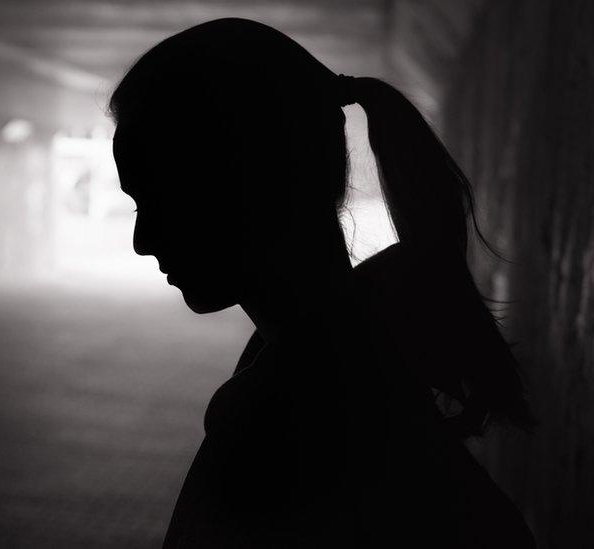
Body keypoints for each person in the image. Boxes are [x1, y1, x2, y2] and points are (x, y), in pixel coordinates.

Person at [109, 18, 536, 548]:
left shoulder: (288, 421)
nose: (142, 240)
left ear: (254, 187)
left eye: (166, 201)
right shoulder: (356, 348)